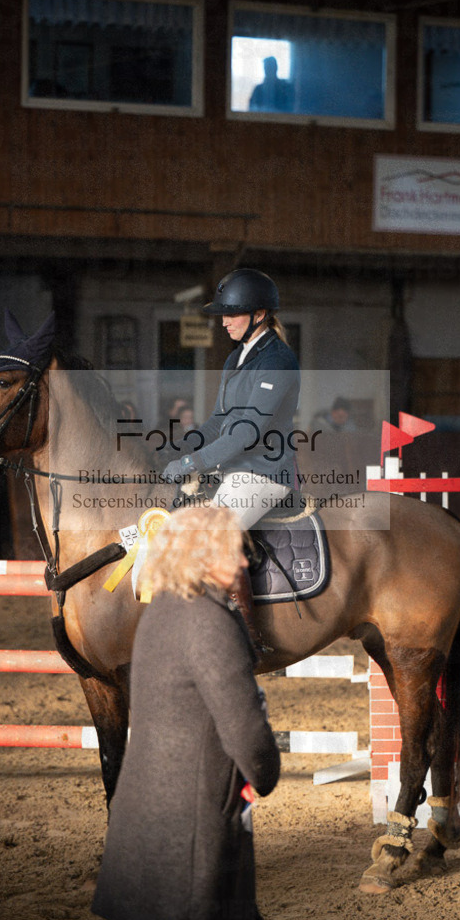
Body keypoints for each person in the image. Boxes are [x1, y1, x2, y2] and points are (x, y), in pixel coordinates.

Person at [91, 505, 281, 920]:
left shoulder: (164, 609)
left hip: (172, 794)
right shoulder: (211, 621)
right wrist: (267, 771)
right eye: (231, 552)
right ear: (200, 555)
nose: (242, 563)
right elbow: (243, 727)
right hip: (199, 803)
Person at [160, 268, 300, 643]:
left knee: (213, 538)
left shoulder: (277, 361)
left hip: (264, 475)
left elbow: (247, 432)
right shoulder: (236, 358)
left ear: (258, 315)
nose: (224, 322)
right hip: (233, 471)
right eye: (223, 314)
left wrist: (193, 463)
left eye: (231, 314)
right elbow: (219, 422)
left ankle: (247, 638)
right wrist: (179, 446)